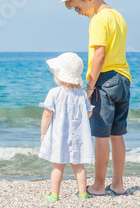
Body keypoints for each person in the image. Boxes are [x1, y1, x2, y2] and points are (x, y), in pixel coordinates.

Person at [60, 0, 132, 196]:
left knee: (100, 135)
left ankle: (99, 185)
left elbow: (99, 54)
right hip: (123, 78)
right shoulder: (117, 16)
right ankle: (118, 184)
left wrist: (90, 87)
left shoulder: (98, 20)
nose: (79, 13)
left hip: (105, 80)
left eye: (77, 8)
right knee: (117, 134)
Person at [39, 52, 95, 202]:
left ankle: (54, 194)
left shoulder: (54, 93)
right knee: (79, 165)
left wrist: (43, 133)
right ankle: (83, 192)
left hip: (59, 136)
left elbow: (46, 114)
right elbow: (89, 113)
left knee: (57, 165)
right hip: (78, 137)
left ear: (59, 75)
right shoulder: (82, 94)